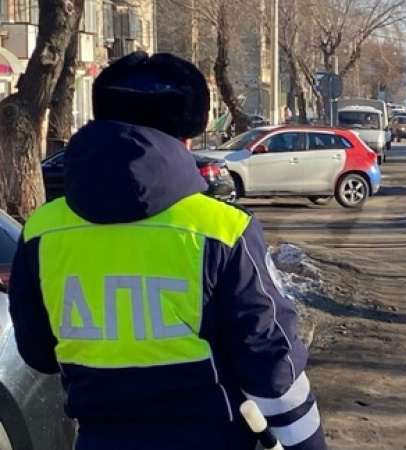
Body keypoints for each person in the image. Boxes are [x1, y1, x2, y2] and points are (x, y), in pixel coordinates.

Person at [8, 51, 327, 450]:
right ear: (187, 135)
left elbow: (38, 353)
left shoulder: (42, 229)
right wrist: (307, 444)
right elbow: (270, 361)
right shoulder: (223, 230)